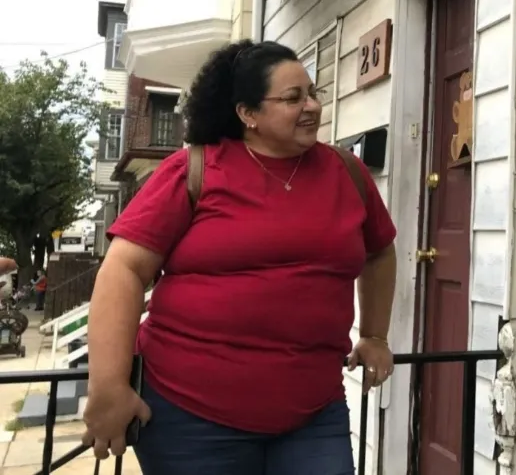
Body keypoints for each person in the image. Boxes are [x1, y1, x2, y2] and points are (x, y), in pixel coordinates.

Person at [82, 39, 399, 475]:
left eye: (312, 93)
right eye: (292, 98)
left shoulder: (348, 173)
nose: (310, 106)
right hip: (190, 419)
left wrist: (375, 336)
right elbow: (123, 270)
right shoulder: (193, 170)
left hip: (313, 415)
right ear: (247, 114)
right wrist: (109, 386)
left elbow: (380, 253)